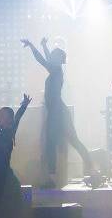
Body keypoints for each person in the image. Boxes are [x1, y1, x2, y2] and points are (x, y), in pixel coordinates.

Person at [23, 38, 95, 186]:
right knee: (64, 141)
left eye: (54, 55)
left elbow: (42, 60)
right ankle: (87, 167)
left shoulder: (55, 70)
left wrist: (32, 45)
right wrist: (43, 45)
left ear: (59, 59)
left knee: (54, 142)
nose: (52, 57)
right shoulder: (56, 69)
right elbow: (48, 59)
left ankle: (55, 177)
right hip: (57, 111)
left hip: (57, 112)